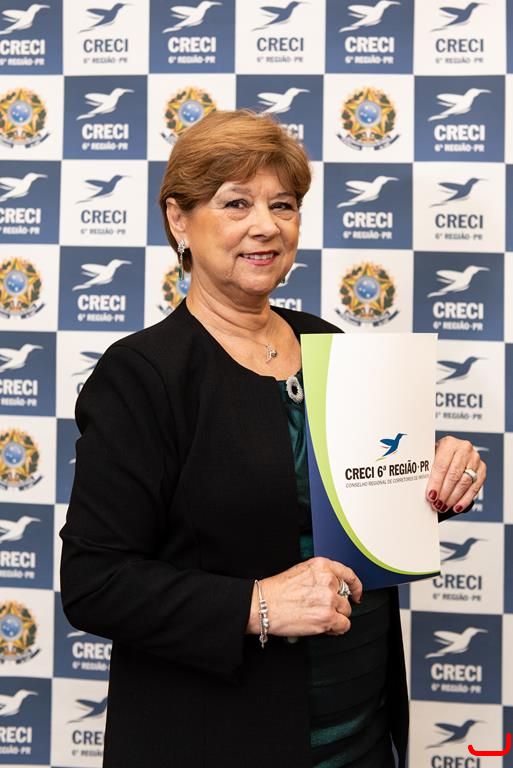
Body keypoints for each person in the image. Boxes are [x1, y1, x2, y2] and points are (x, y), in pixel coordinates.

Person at [60, 110, 486, 768]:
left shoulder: (327, 344)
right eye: (236, 203)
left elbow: (364, 500)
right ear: (179, 221)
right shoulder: (141, 374)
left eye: (282, 205)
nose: (265, 225)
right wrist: (256, 604)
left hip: (363, 726)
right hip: (221, 739)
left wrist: (437, 475)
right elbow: (95, 581)